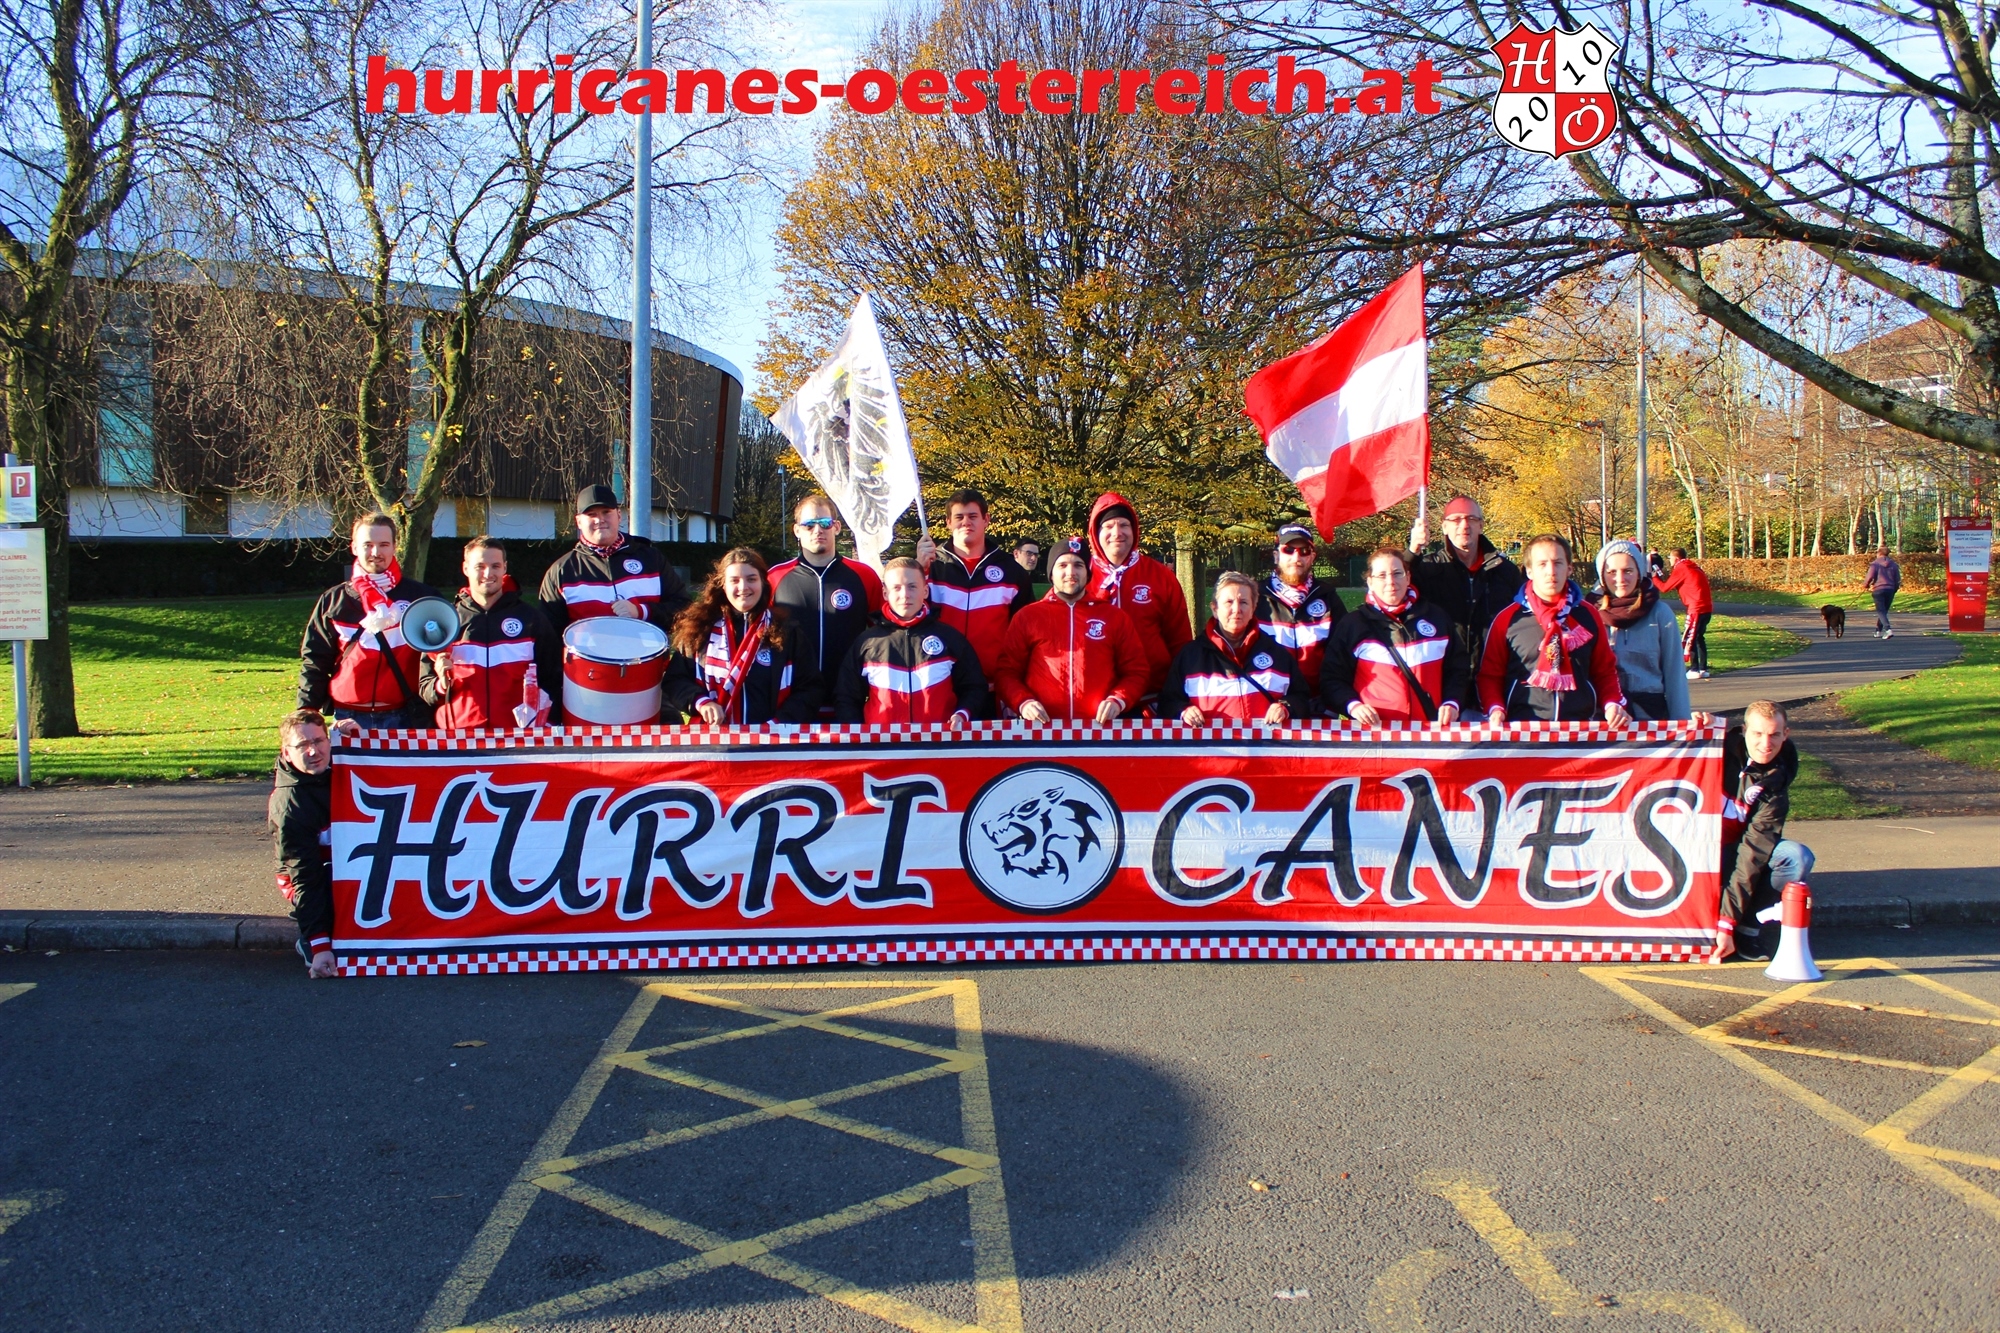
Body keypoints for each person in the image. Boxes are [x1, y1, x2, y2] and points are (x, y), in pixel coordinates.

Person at [298, 512, 438, 730]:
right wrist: (306, 712)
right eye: (368, 545)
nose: (376, 552)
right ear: (354, 547)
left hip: (406, 716)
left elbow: (437, 657)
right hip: (347, 717)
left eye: (384, 545)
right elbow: (315, 660)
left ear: (395, 547)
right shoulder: (334, 601)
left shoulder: (422, 598)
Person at [1478, 534, 1632, 726]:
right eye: (1542, 564)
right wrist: (1495, 708)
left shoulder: (1588, 615)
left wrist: (1611, 704)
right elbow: (1490, 676)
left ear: (1569, 569)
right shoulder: (1508, 619)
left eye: (1558, 563)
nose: (1551, 572)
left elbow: (1604, 671)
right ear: (1529, 571)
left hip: (1580, 728)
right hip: (1523, 728)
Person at [993, 538, 1149, 724]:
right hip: (1043, 730)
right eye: (1062, 565)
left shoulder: (1114, 617)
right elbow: (1007, 673)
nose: (1071, 572)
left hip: (1100, 729)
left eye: (1078, 565)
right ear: (1051, 573)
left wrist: (1118, 700)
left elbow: (1136, 671)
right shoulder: (1027, 617)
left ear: (1088, 573)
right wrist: (1023, 702)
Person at [664, 547, 822, 725]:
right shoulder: (699, 629)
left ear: (763, 583)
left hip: (773, 737)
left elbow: (810, 688)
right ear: (723, 585)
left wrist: (779, 724)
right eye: (734, 580)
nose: (743, 587)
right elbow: (675, 680)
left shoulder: (786, 631)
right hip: (714, 738)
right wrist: (701, 702)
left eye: (751, 579)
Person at [418, 536, 563, 729]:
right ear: (466, 568)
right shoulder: (446, 622)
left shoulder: (531, 620)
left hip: (517, 737)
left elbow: (553, 681)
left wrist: (546, 724)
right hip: (460, 738)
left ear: (504, 568)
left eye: (495, 566)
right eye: (480, 566)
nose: (488, 573)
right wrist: (441, 685)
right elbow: (424, 687)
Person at [1713, 700, 1813, 964]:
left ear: (1786, 734)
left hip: (1736, 853)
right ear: (1744, 730)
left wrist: (1727, 921)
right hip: (1699, 852)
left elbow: (1753, 853)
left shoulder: (1775, 786)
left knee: (1796, 857)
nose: (1765, 744)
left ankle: (1747, 929)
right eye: (1757, 733)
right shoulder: (1713, 748)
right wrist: (1693, 727)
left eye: (1774, 735)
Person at [768, 494, 884, 720]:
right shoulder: (775, 578)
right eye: (809, 525)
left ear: (836, 527)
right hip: (791, 704)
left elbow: (884, 633)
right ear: (797, 530)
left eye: (824, 523)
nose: (817, 530)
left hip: (849, 701)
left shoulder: (864, 576)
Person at [1322, 546, 1466, 725]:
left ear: (1408, 577)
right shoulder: (1353, 625)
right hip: (1375, 734)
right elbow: (1332, 677)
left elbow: (1458, 670)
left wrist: (1453, 702)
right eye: (1382, 575)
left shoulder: (1437, 618)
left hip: (1430, 731)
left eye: (1397, 573)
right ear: (1370, 582)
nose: (1391, 582)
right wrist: (1353, 705)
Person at [834, 558, 987, 727]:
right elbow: (846, 696)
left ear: (925, 591)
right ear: (885, 594)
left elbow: (974, 686)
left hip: (939, 740)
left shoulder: (949, 637)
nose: (905, 594)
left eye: (912, 586)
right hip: (883, 742)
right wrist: (860, 734)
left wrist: (963, 713)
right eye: (896, 588)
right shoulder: (867, 643)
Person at [1409, 495, 1524, 708]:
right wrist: (1412, 552)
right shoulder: (1428, 569)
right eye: (1456, 519)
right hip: (1444, 683)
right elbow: (1395, 587)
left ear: (1481, 525)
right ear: (1444, 527)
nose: (1464, 525)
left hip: (1495, 683)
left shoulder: (1505, 571)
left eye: (1471, 519)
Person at [269, 709, 358, 979]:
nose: (313, 751)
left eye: (318, 741)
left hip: (344, 861)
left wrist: (359, 738)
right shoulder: (290, 806)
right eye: (302, 745)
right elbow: (304, 875)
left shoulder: (337, 766)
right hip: (307, 874)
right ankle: (310, 936)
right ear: (287, 753)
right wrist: (320, 945)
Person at [916, 488, 1035, 685]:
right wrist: (919, 569)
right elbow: (906, 616)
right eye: (959, 517)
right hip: (940, 683)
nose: (966, 522)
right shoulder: (931, 567)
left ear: (986, 519)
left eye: (972, 516)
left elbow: (1027, 631)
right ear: (948, 522)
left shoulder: (1012, 571)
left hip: (994, 685)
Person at [1086, 491, 1192, 710]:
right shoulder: (1078, 575)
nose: (1117, 533)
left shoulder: (1160, 576)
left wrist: (1179, 692)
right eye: (1108, 526)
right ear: (1095, 533)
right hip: (1094, 701)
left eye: (1124, 525)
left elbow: (1179, 640)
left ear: (1134, 530)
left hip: (1151, 698)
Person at [1161, 571, 1306, 726]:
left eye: (1243, 602)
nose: (1236, 609)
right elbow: (1167, 703)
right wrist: (1183, 711)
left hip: (1267, 741)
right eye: (1229, 602)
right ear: (1215, 609)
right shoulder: (1190, 657)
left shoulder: (1278, 655)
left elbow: (1302, 698)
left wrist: (1286, 707)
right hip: (1211, 742)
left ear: (1253, 608)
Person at [539, 484, 690, 632]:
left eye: (606, 512)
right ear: (578, 521)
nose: (600, 520)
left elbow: (685, 609)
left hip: (647, 649)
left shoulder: (651, 559)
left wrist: (641, 611)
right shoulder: (561, 571)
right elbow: (548, 634)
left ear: (618, 515)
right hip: (588, 650)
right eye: (591, 514)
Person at [1591, 539, 1709, 723]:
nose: (1620, 579)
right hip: (1604, 720)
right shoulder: (1589, 614)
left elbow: (1675, 675)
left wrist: (1681, 725)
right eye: (1612, 572)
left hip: (1651, 720)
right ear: (1602, 575)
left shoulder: (1660, 614)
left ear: (1639, 572)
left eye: (1628, 571)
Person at [1255, 524, 1346, 710]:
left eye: (1304, 551)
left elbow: (1342, 656)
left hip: (1319, 707)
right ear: (1276, 556)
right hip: (1270, 708)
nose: (1296, 558)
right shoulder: (1255, 597)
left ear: (1312, 557)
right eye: (1288, 550)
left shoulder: (1328, 597)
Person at [1656, 548, 1715, 678]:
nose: (1669, 560)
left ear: (1676, 558)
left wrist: (1653, 578)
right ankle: (1703, 668)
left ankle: (1694, 669)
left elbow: (1665, 588)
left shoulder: (1681, 568)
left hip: (1696, 608)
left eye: (1670, 558)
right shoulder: (1693, 566)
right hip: (1706, 607)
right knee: (1699, 637)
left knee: (1690, 638)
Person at [1865, 545, 1901, 639]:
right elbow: (1897, 579)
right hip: (1890, 589)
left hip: (1879, 589)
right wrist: (1895, 588)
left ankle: (1888, 630)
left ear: (1879, 553)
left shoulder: (1875, 564)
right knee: (1883, 611)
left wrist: (1866, 585)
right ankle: (1878, 630)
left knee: (1881, 611)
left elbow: (1869, 576)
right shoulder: (1893, 564)